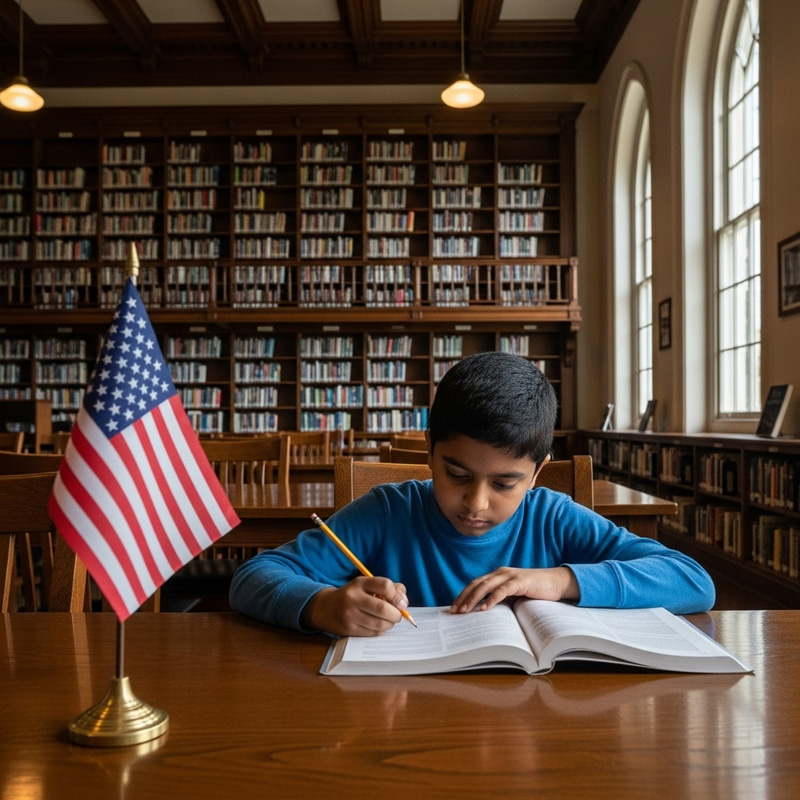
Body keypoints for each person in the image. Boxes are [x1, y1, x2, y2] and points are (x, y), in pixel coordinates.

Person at [229, 351, 715, 636]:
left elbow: (693, 581)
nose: (476, 503)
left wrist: (557, 580)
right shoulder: (388, 512)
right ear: (429, 451)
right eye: (456, 474)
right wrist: (323, 605)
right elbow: (252, 576)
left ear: (538, 471)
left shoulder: (552, 517)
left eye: (505, 484)